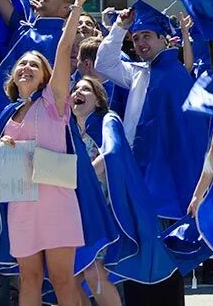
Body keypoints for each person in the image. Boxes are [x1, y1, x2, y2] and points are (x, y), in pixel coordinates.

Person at [0, 0, 105, 306]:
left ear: (45, 76)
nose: (26, 67)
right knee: (29, 280)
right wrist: (3, 149)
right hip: (22, 205)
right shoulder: (9, 114)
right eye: (21, 64)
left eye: (33, 65)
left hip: (56, 204)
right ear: (13, 75)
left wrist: (78, 4)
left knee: (62, 280)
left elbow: (63, 46)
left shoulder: (54, 102)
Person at [94, 2, 210, 304]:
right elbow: (104, 64)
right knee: (136, 262)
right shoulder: (137, 73)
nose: (141, 43)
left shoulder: (179, 76)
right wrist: (119, 27)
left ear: (163, 39)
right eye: (136, 38)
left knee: (165, 270)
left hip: (166, 189)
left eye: (147, 35)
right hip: (137, 183)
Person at [69, 77, 122, 306]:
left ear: (98, 100)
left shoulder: (106, 123)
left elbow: (112, 155)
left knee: (94, 273)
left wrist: (86, 175)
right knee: (69, 279)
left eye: (86, 89)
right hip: (72, 213)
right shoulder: (67, 130)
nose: (78, 92)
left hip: (100, 214)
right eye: (76, 89)